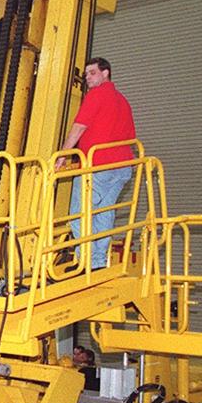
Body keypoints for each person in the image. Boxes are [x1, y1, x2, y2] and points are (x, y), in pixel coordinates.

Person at [55, 57, 137, 270]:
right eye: (86, 75)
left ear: (105, 72)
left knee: (79, 213)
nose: (88, 79)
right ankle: (98, 263)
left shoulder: (97, 95)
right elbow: (131, 137)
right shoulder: (123, 101)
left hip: (97, 166)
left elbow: (79, 128)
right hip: (121, 169)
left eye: (92, 73)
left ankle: (85, 261)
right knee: (104, 213)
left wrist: (62, 155)